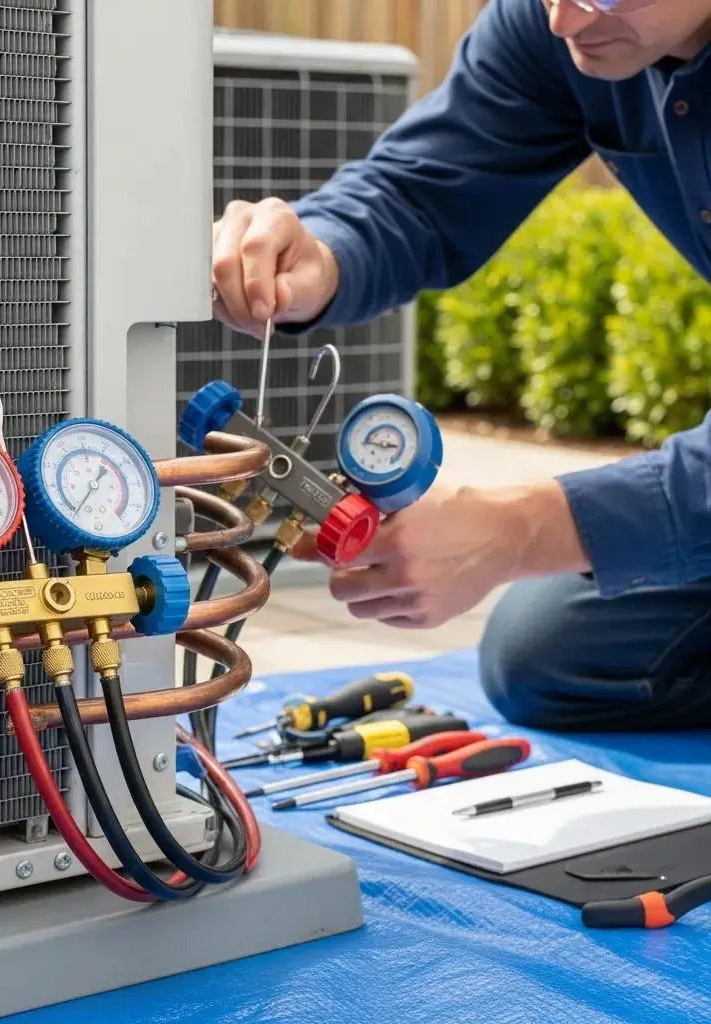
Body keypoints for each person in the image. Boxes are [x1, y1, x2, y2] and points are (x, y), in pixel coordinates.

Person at [210, 0, 711, 733]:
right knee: (549, 653)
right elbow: (422, 189)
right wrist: (320, 255)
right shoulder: (564, 26)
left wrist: (517, 530)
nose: (564, 21)